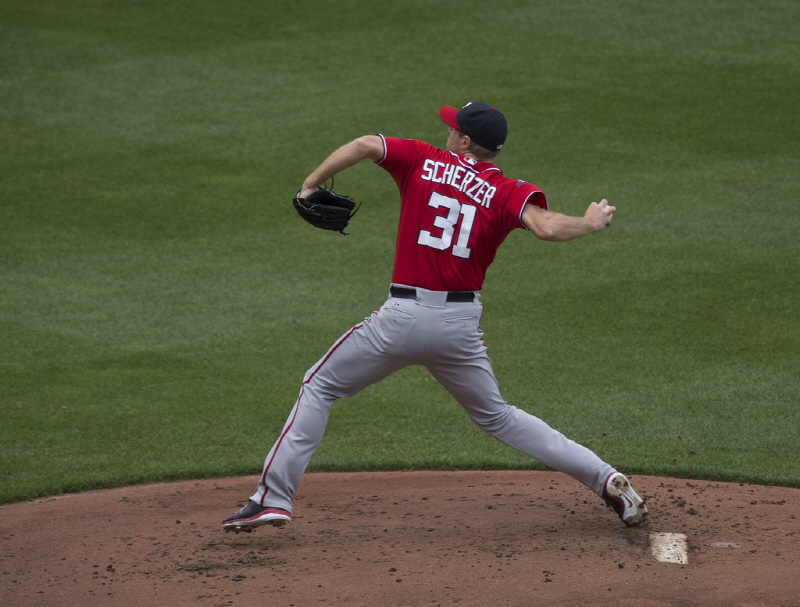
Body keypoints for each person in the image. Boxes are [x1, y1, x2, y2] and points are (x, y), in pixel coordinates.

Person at [222, 101, 648, 532]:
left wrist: (310, 186)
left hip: (401, 319)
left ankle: (272, 499)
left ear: (464, 141)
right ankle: (605, 479)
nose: (447, 132)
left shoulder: (421, 159)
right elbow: (547, 227)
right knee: (498, 417)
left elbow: (365, 143)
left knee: (320, 385)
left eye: (452, 128)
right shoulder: (507, 191)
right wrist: (590, 222)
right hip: (458, 327)